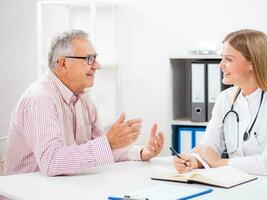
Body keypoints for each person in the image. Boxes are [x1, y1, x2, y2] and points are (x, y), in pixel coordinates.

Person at [4, 30, 164, 176]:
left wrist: (142, 152)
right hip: (28, 193)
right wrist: (108, 142)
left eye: (95, 58)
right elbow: (51, 162)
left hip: (64, 188)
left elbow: (103, 149)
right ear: (63, 64)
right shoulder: (40, 99)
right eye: (89, 59)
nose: (97, 66)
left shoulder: (83, 98)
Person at [173, 29, 267, 180]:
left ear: (252, 63)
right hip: (239, 181)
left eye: (229, 59)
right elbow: (208, 147)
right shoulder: (225, 99)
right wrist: (194, 161)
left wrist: (220, 163)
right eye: (222, 58)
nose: (221, 65)